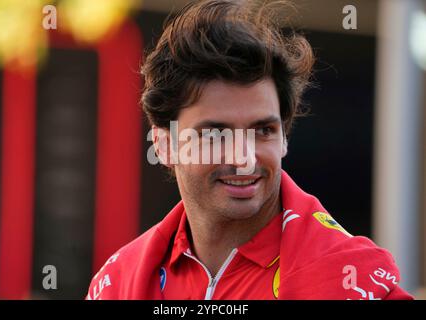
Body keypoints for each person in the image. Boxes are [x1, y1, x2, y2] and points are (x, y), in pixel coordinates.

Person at [86, 0, 413, 300]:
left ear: (284, 138)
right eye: (215, 134)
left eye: (262, 131)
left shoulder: (353, 283)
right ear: (164, 145)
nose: (243, 158)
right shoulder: (117, 284)